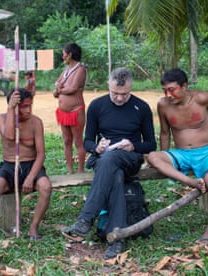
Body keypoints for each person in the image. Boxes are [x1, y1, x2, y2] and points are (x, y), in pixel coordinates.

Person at [61, 67, 156, 259]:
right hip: (105, 159)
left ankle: (86, 218)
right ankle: (117, 238)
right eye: (115, 93)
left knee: (111, 160)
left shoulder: (142, 107)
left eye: (124, 94)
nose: (119, 98)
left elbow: (150, 144)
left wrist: (133, 145)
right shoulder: (97, 105)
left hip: (130, 159)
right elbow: (87, 141)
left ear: (131, 88)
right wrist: (96, 148)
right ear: (108, 86)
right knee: (115, 175)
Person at [147, 68, 208, 245]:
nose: (168, 94)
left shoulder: (201, 98)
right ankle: (190, 182)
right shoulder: (163, 105)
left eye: (172, 89)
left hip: (206, 151)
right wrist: (164, 156)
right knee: (152, 156)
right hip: (181, 154)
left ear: (184, 86)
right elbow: (165, 133)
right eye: (164, 90)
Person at [0, 88, 52, 243]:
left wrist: (31, 177)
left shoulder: (36, 122)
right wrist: (10, 109)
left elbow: (41, 154)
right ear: (13, 106)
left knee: (45, 187)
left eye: (30, 105)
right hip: (10, 165)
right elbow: (10, 136)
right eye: (24, 106)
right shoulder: (1, 119)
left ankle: (33, 228)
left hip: (31, 165)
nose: (28, 110)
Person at [53, 43, 86, 174]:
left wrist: (60, 88)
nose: (62, 56)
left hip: (75, 111)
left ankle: (80, 171)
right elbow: (56, 88)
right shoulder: (66, 70)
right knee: (67, 141)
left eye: (64, 54)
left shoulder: (80, 69)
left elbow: (72, 88)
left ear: (70, 54)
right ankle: (70, 170)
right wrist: (59, 89)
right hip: (63, 112)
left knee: (78, 141)